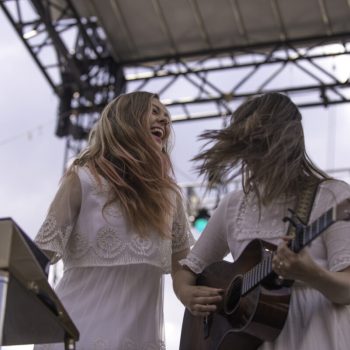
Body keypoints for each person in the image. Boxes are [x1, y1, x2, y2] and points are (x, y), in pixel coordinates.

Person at [173, 92, 350, 350]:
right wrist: (187, 295)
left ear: (282, 144)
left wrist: (313, 275)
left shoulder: (333, 196)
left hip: (316, 335)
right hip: (249, 340)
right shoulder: (233, 204)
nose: (247, 158)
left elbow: (346, 291)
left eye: (254, 146)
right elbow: (186, 272)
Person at [34, 91, 193, 349]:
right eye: (154, 112)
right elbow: (39, 255)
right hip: (76, 335)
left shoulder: (170, 197)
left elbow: (184, 271)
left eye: (167, 117)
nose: (164, 121)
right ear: (126, 119)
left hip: (141, 340)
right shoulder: (83, 180)